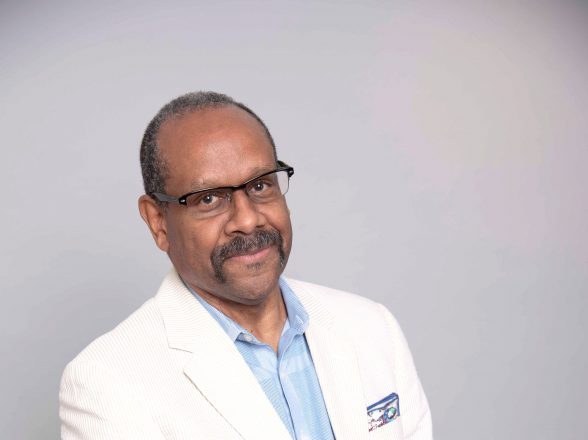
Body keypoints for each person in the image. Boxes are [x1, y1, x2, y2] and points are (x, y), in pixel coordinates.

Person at [59, 91, 433, 440]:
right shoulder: (106, 381)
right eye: (208, 198)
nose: (248, 219)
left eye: (259, 186)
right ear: (158, 221)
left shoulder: (371, 327)